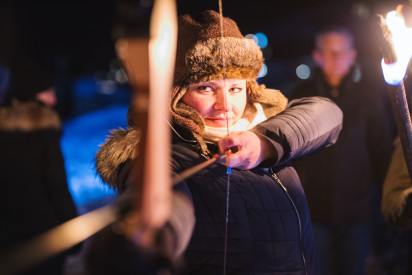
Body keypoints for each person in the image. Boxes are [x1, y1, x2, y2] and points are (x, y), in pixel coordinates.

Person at [86, 10, 343, 274]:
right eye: (206, 88)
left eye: (235, 89)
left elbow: (328, 113)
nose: (225, 106)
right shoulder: (166, 156)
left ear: (250, 89)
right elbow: (164, 207)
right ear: (175, 93)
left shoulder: (264, 124)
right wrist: (142, 236)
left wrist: (262, 144)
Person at [287, 25, 396, 275]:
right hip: (312, 212)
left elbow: (381, 152)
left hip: (358, 213)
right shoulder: (301, 96)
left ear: (352, 55)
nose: (336, 58)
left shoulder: (367, 97)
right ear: (317, 56)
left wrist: (387, 202)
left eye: (341, 51)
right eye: (329, 51)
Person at [0, 57, 79, 275]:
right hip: (46, 240)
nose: (53, 100)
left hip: (8, 243)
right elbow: (56, 187)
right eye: (48, 92)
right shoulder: (44, 133)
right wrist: (73, 232)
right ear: (32, 95)